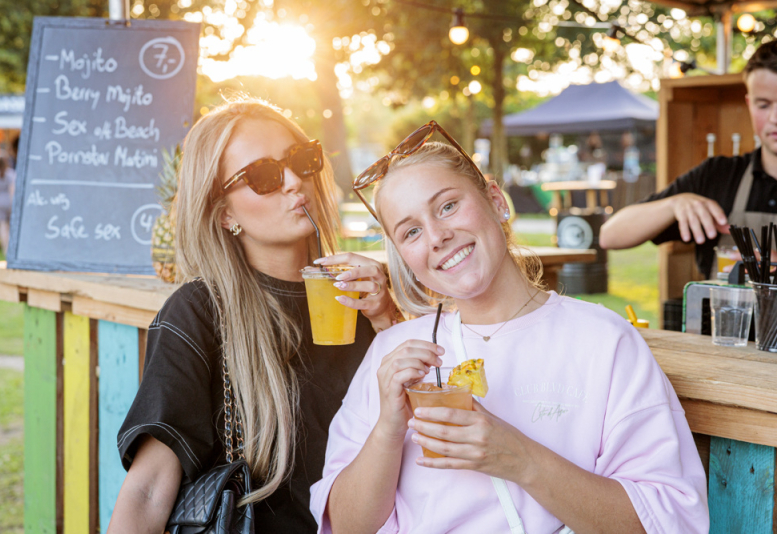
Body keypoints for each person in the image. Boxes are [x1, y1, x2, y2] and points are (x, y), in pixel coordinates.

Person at [310, 126, 708, 533]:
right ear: (404, 256)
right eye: (410, 231)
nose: (437, 236)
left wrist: (518, 458)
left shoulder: (605, 342)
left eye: (447, 206)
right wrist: (388, 430)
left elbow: (666, 522)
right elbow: (344, 525)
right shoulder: (392, 353)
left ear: (497, 201)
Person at [108, 97, 398, 533]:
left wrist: (388, 318)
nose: (294, 182)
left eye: (301, 160)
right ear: (224, 213)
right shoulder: (200, 313)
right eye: (262, 176)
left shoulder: (368, 295)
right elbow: (149, 489)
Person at [599, 41, 777, 279]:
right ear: (749, 104)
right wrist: (673, 204)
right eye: (763, 104)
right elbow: (610, 235)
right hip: (720, 317)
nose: (775, 117)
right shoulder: (718, 175)